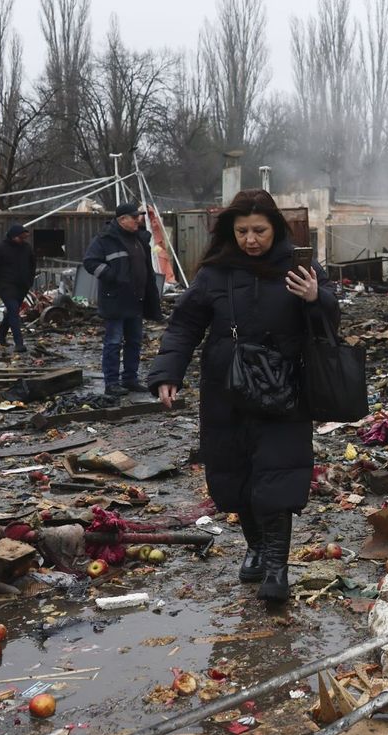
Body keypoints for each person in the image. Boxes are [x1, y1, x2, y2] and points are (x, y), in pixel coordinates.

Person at [147, 189, 338, 604]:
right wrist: (167, 373)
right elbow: (184, 325)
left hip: (285, 390)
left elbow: (330, 321)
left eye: (259, 231)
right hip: (226, 391)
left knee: (277, 476)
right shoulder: (215, 273)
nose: (251, 240)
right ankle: (255, 547)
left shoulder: (299, 267)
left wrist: (315, 297)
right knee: (235, 475)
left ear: (276, 229)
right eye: (242, 231)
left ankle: (276, 568)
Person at [82, 203, 164, 395]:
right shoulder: (105, 239)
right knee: (113, 342)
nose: (138, 220)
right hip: (116, 300)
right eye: (134, 217)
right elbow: (90, 262)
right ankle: (111, 383)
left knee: (134, 342)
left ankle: (130, 379)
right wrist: (112, 276)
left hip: (136, 300)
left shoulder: (138, 239)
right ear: (122, 220)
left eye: (138, 217)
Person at [0, 222, 36, 354]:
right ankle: (19, 343)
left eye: (23, 238)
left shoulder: (26, 248)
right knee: (14, 311)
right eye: (19, 237)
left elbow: (33, 265)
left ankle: (0, 337)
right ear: (12, 236)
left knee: (11, 312)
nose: (22, 240)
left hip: (22, 286)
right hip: (6, 286)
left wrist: (29, 281)